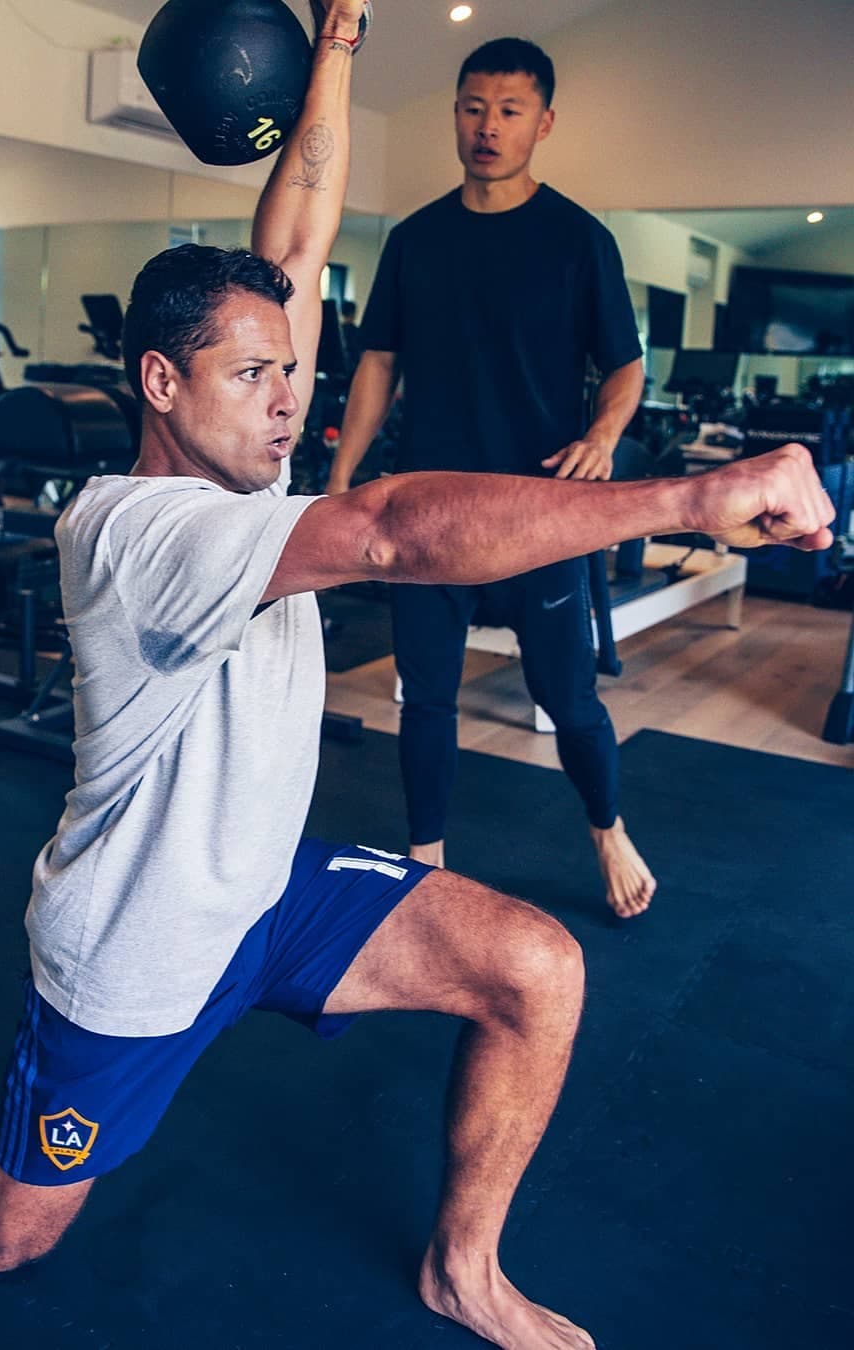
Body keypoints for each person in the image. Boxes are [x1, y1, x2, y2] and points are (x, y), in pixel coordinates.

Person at [0, 6, 833, 1350]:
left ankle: (463, 1267)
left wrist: (335, 42)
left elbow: (289, 240)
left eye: (292, 370)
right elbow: (394, 528)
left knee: (539, 969)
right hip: (138, 949)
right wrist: (688, 494)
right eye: (254, 375)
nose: (289, 398)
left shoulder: (237, 448)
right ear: (162, 384)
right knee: (4, 1239)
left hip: (265, 892)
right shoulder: (130, 533)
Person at [326, 38, 660, 919]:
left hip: (536, 509)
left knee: (567, 696)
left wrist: (603, 434)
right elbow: (377, 364)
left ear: (543, 123)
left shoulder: (579, 240)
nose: (488, 126)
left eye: (510, 110)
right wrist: (341, 478)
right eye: (474, 107)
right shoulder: (415, 240)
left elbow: (625, 366)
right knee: (424, 694)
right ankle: (426, 861)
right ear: (455, 114)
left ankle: (607, 827)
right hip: (427, 506)